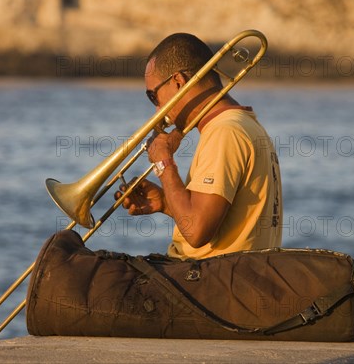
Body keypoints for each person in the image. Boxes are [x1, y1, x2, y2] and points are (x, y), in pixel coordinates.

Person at [115, 33, 282, 260]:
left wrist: (164, 163)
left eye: (154, 96)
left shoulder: (225, 131)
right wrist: (165, 202)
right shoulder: (243, 123)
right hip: (227, 276)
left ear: (178, 82)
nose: (157, 110)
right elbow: (221, 220)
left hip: (209, 282)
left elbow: (196, 231)